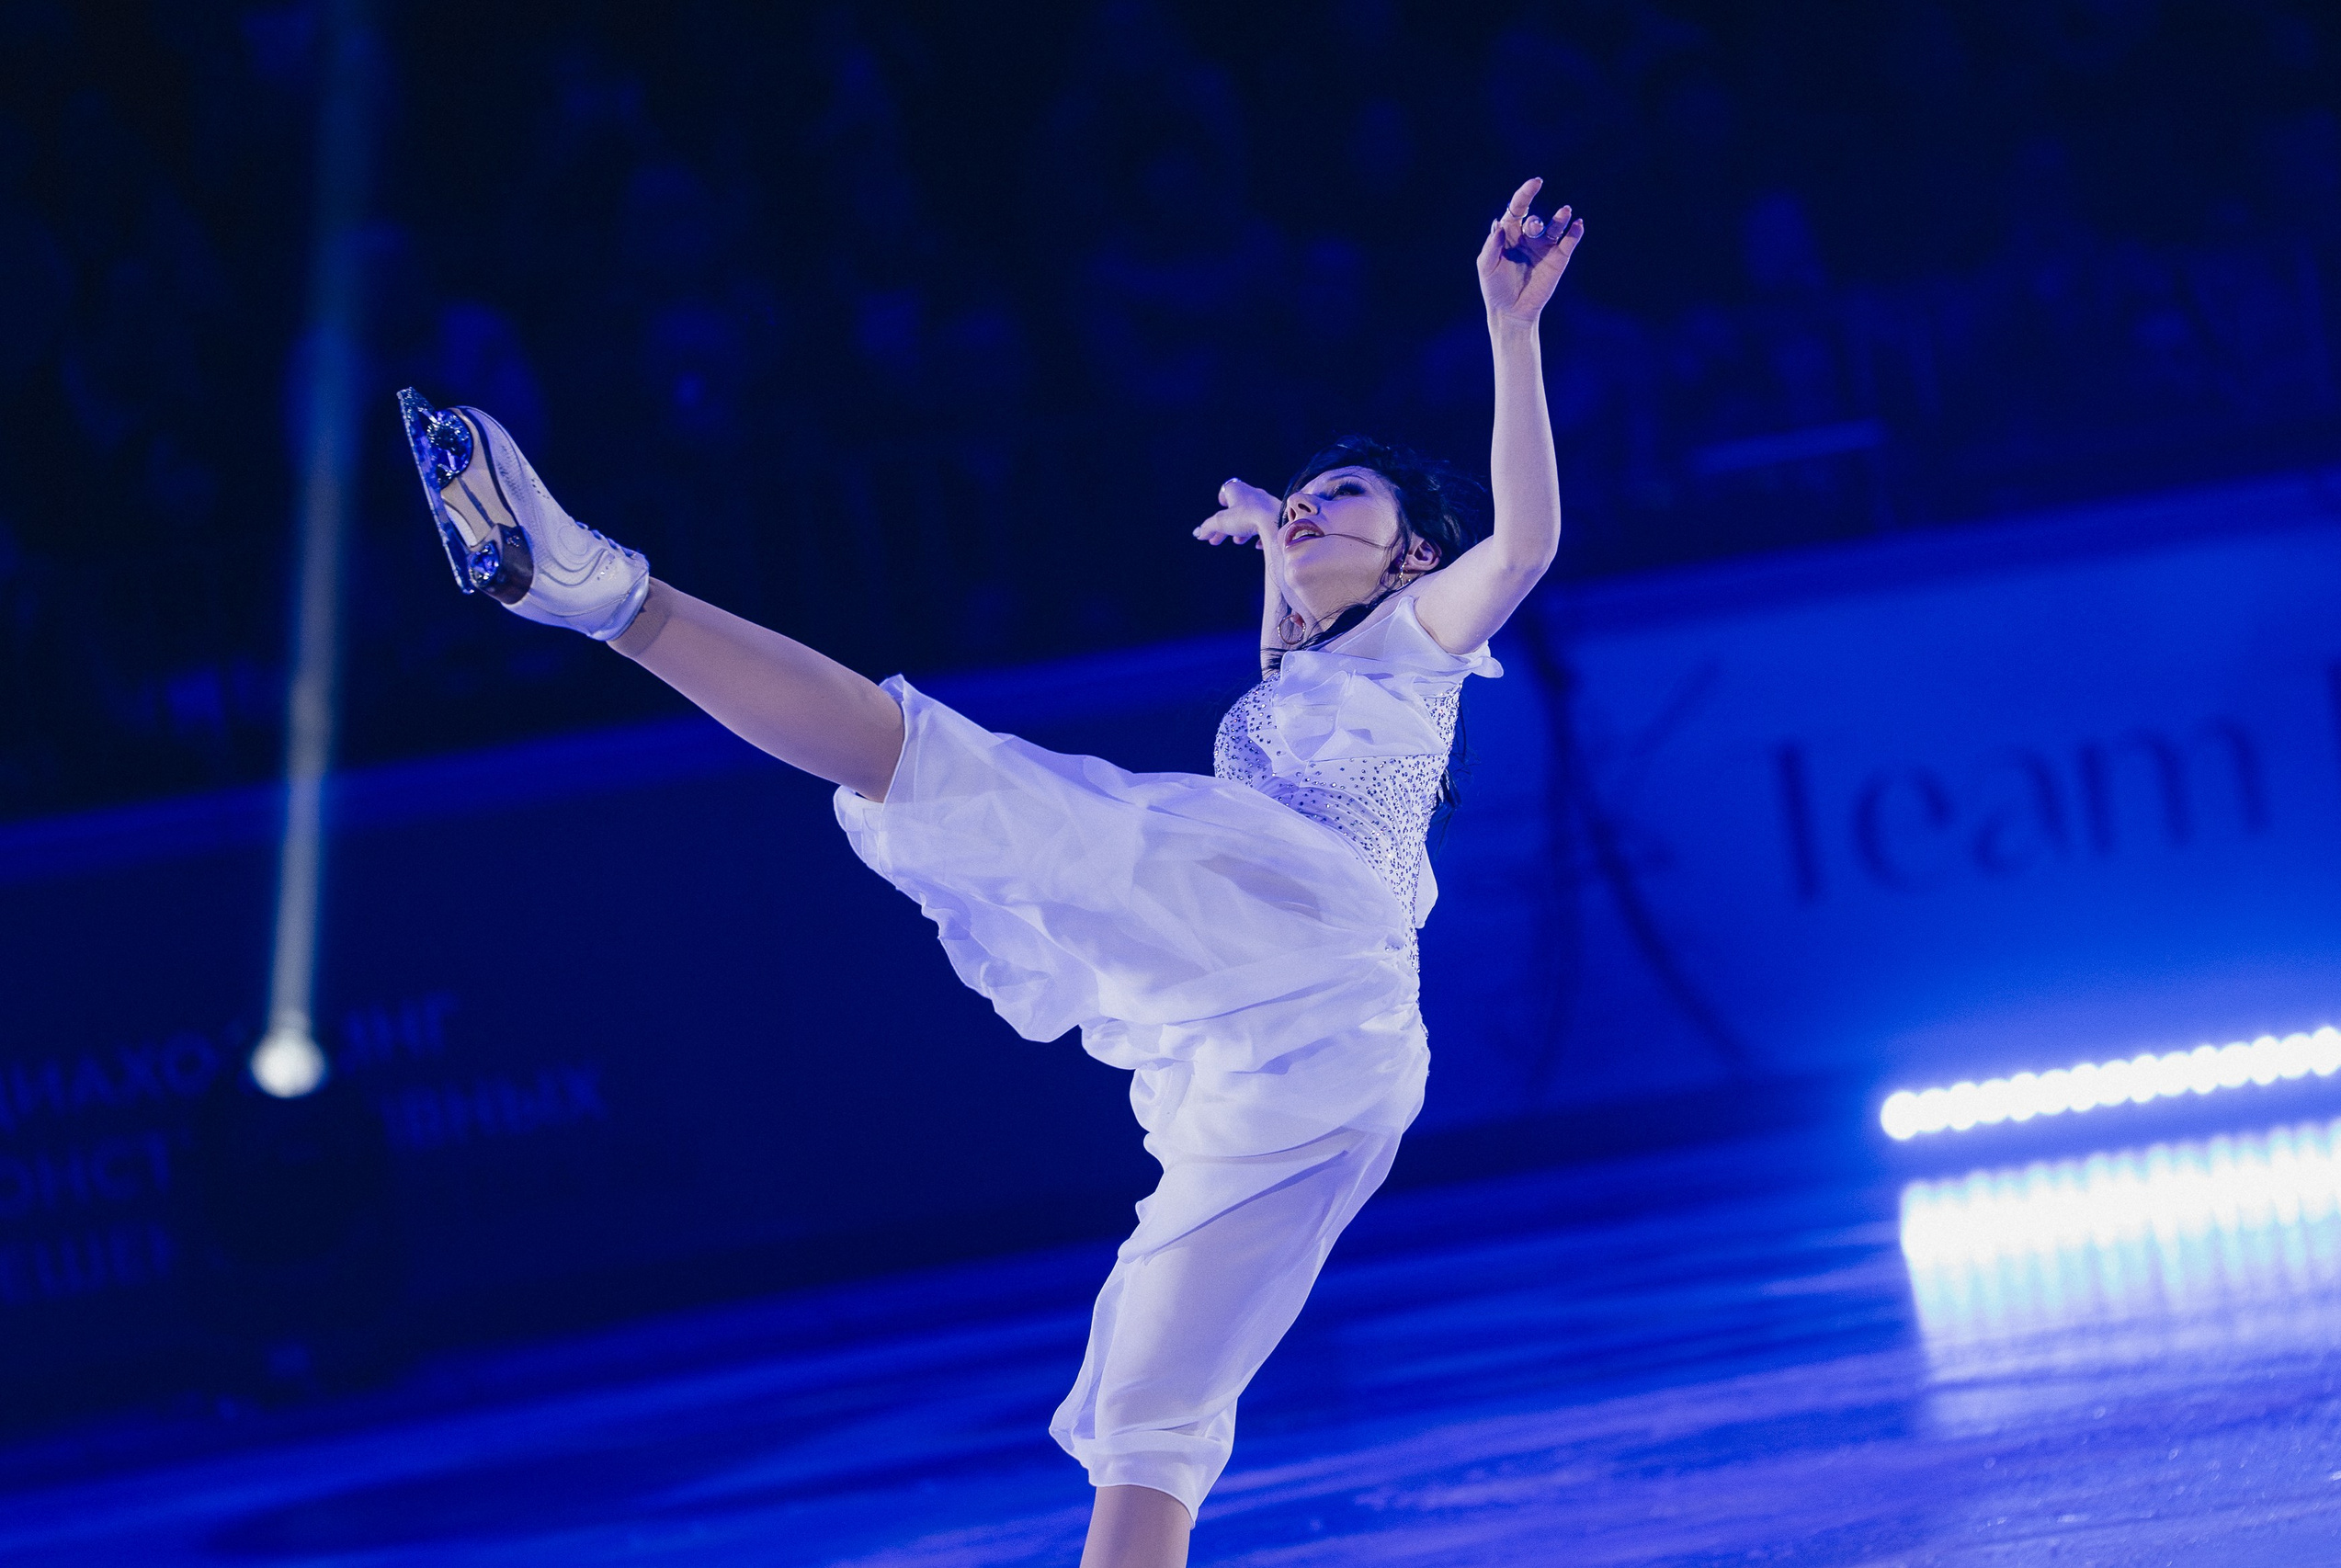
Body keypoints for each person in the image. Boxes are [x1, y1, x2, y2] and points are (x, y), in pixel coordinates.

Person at [398, 177, 1580, 1568]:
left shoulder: (1423, 633)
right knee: (1154, 1398)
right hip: (1264, 1044)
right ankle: (596, 594)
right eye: (1307, 491)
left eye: (1348, 495)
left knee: (960, 780)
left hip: (1307, 943)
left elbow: (1529, 542)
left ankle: (596, 590)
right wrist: (1279, 536)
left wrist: (1509, 330)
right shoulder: (1298, 666)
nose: (1314, 505)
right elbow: (1283, 653)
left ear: (1416, 552)